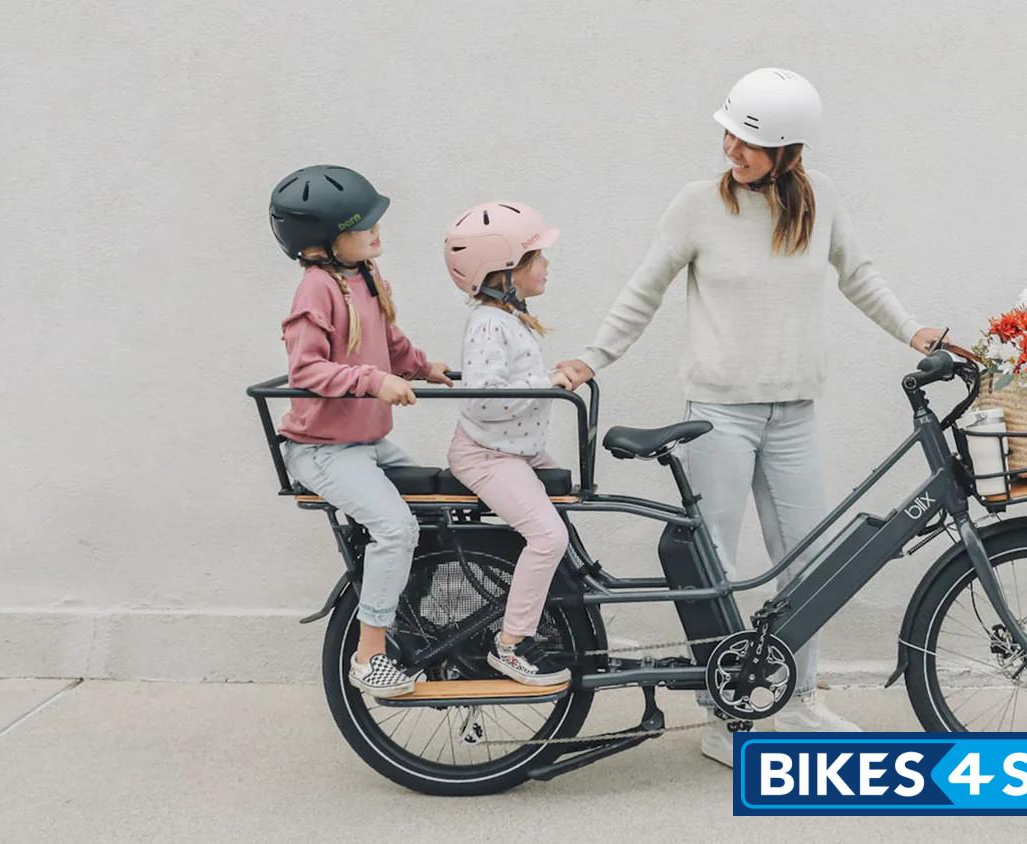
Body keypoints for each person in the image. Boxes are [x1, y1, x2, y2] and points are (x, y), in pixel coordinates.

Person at [554, 69, 947, 765]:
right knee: (715, 566)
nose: (731, 149)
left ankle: (797, 702)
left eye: (748, 141)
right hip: (718, 416)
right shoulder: (696, 205)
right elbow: (643, 290)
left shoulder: (822, 199)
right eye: (729, 134)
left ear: (787, 150)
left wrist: (914, 331)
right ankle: (724, 717)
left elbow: (859, 273)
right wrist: (593, 358)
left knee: (809, 560)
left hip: (795, 412)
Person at [269, 165, 452, 698]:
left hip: (367, 443)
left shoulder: (365, 276)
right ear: (324, 241)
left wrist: (422, 368)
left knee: (438, 508)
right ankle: (369, 655)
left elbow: (389, 342)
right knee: (395, 528)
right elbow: (306, 370)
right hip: (323, 450)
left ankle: (406, 619)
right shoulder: (316, 290)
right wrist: (374, 381)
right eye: (363, 225)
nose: (376, 232)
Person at [441, 201, 577, 685]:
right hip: (487, 455)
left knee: (564, 503)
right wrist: (548, 384)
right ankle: (511, 643)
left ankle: (557, 607)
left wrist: (551, 377)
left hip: (514, 450)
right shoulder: (489, 323)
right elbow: (484, 401)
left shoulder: (509, 318)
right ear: (505, 269)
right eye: (537, 257)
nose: (546, 264)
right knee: (548, 536)